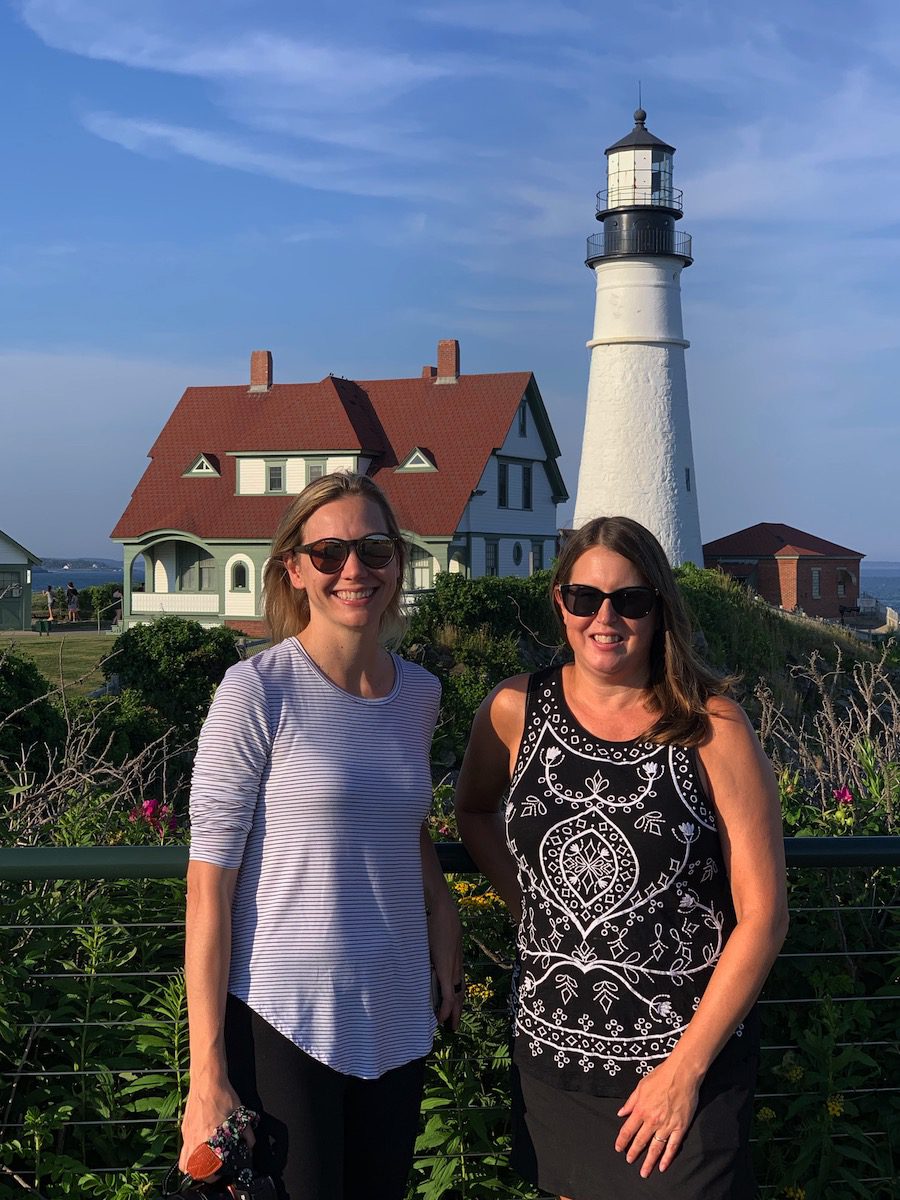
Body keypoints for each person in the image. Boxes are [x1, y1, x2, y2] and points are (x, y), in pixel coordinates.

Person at [455, 516, 788, 1200]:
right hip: (554, 1053)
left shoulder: (710, 725)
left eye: (631, 600)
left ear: (660, 607)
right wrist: (529, 906)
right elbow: (473, 809)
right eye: (586, 598)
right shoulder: (515, 708)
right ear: (560, 601)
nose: (606, 618)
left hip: (683, 1063)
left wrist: (685, 1070)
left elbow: (764, 915)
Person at [180, 472, 463, 1200]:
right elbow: (209, 888)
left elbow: (399, 819)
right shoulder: (256, 691)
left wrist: (444, 913)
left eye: (374, 549)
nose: (353, 570)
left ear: (398, 562)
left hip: (398, 1011)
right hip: (285, 1016)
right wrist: (206, 1073)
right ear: (295, 568)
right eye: (330, 552)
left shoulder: (420, 695)